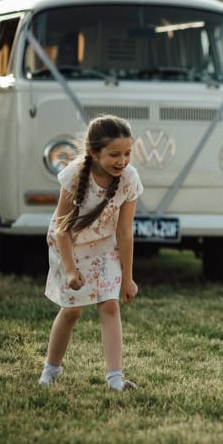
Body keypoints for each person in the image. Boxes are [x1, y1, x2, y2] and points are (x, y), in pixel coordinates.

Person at [38, 115, 143, 390]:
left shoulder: (129, 180)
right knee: (72, 311)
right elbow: (62, 230)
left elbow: (124, 233)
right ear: (95, 153)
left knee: (109, 304)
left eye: (128, 153)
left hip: (104, 247)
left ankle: (115, 378)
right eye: (115, 154)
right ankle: (51, 369)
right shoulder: (75, 175)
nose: (122, 161)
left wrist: (128, 278)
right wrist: (71, 269)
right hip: (69, 245)